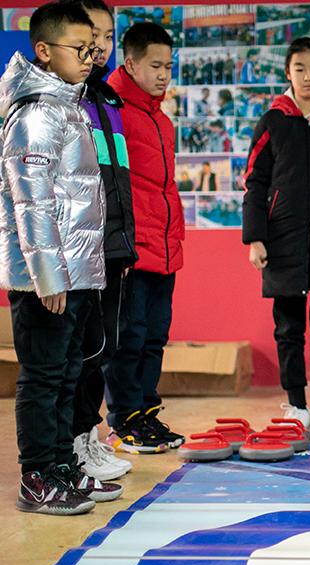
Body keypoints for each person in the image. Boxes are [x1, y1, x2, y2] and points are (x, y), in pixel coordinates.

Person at [1, 1, 122, 514]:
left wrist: (85, 275)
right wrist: (48, 277)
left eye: (94, 47)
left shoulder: (70, 105)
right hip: (43, 282)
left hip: (76, 274)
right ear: (44, 51)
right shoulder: (33, 113)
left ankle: (61, 467)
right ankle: (38, 476)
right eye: (81, 47)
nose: (92, 56)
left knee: (69, 374)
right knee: (44, 378)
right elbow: (32, 200)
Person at [243, 37, 310, 438]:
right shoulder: (273, 119)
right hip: (282, 241)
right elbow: (255, 182)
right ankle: (296, 405)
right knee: (288, 330)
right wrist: (256, 238)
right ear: (288, 72)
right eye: (300, 68)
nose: (308, 76)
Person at [65, 0, 138, 482]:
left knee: (101, 348)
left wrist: (125, 242)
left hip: (111, 247)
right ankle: (71, 446)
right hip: (75, 251)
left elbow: (118, 181)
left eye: (109, 36)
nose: (100, 46)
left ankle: (90, 438)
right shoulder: (60, 99)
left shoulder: (107, 100)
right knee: (76, 353)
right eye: (92, 35)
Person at [105, 22, 185, 453]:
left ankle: (147, 413)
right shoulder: (111, 112)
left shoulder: (162, 120)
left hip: (166, 249)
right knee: (128, 338)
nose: (162, 74)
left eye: (168, 66)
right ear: (130, 63)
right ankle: (125, 418)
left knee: (155, 337)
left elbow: (165, 188)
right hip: (132, 251)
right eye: (155, 65)